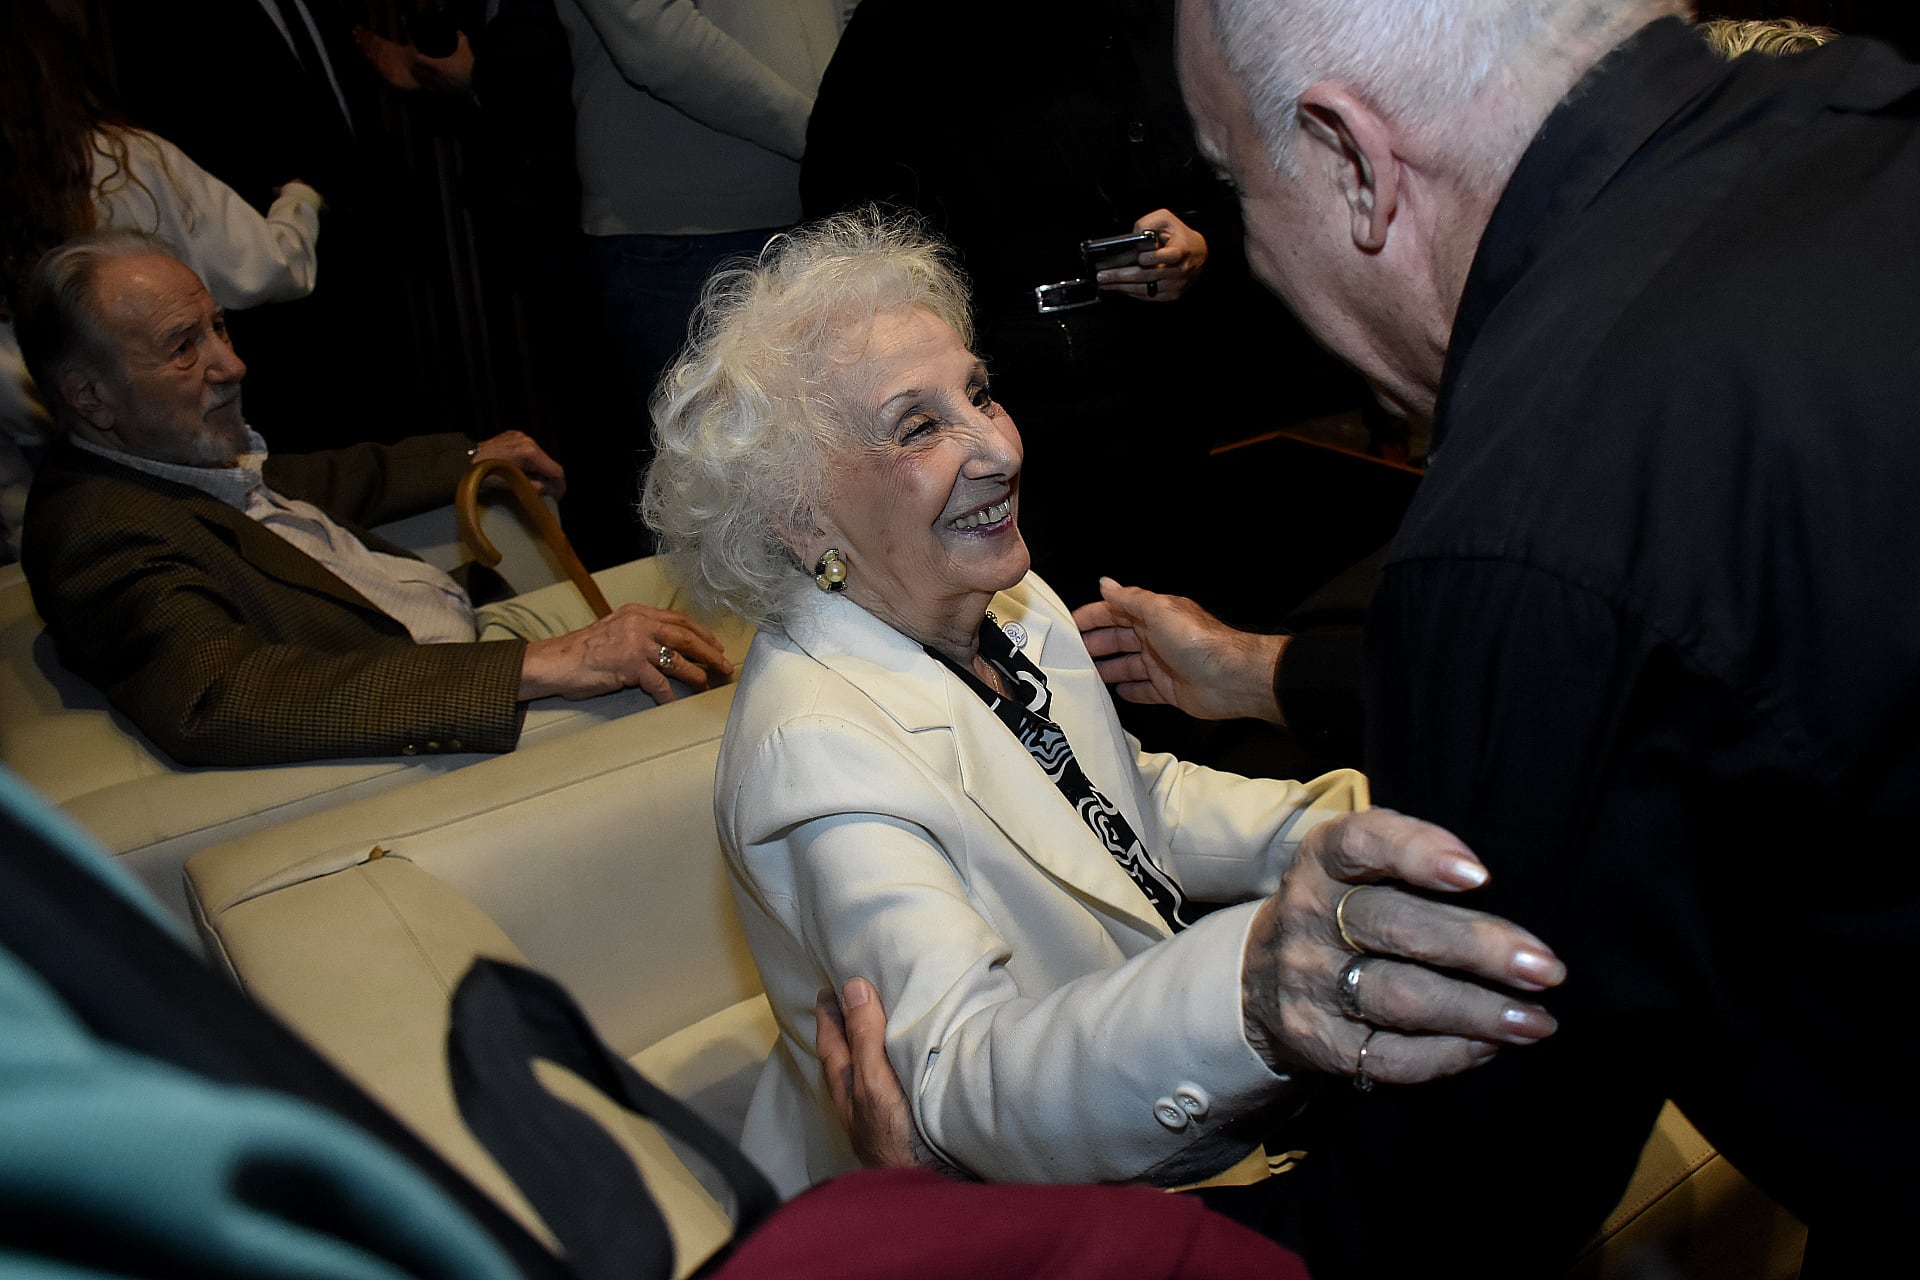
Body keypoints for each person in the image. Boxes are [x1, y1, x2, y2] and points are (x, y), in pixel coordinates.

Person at [987, 1, 1911, 1272]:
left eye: (1239, 187)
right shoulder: (1858, 128)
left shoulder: (1534, 512)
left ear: (1354, 164)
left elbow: (1449, 1218)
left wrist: (956, 1239)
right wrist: (1268, 673)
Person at [642, 211, 1564, 1198]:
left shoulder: (996, 596)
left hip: (1163, 1105)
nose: (997, 447)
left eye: (980, 393)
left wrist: (1351, 824)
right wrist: (1250, 988)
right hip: (1040, 1200)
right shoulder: (817, 751)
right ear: (800, 516)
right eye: (918, 425)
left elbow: (1121, 807)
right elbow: (962, 1084)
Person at [17, 231, 733, 768]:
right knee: (747, 683)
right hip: (462, 706)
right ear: (89, 396)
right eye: (183, 347)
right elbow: (221, 699)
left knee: (731, 588)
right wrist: (542, 665)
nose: (231, 364)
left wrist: (470, 457)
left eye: (219, 326)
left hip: (478, 633)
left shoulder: (166, 458)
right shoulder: (97, 528)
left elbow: (312, 481)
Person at [0, 0, 325, 562]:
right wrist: (301, 201)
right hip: (168, 469)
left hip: (29, 502)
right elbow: (270, 268)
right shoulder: (128, 160)